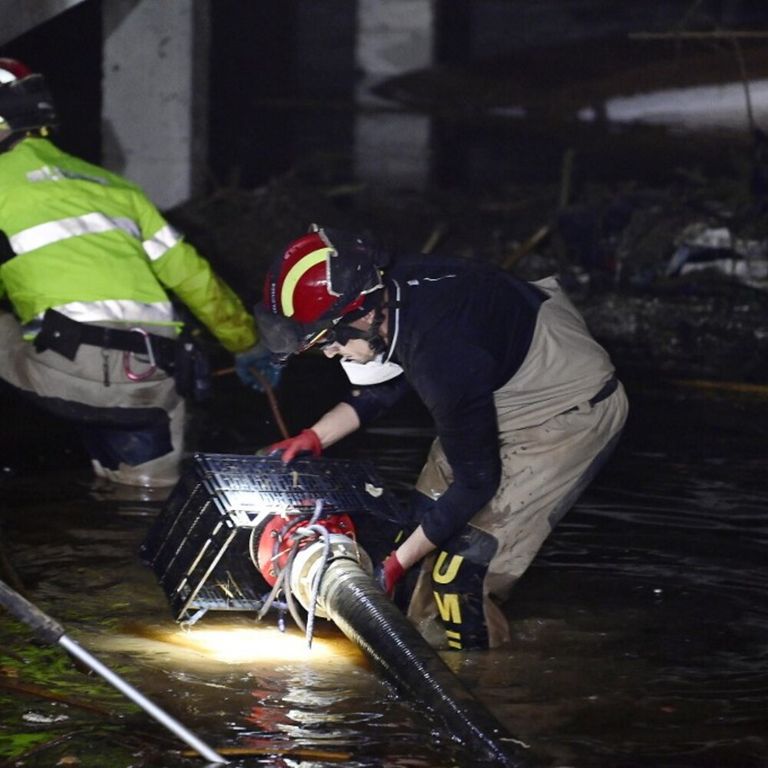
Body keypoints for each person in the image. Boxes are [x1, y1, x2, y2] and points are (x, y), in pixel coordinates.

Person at [256, 224, 629, 650]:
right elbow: (388, 380)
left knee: (458, 578)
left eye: (327, 341)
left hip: (566, 408)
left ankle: (489, 688)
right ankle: (420, 656)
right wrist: (314, 437)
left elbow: (476, 482)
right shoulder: (387, 296)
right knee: (415, 542)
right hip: (496, 379)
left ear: (359, 314)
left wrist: (393, 565)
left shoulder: (442, 354)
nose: (328, 353)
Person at [0, 58, 280, 491]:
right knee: (148, 498)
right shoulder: (116, 188)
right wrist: (246, 344)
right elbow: (194, 278)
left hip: (63, 369)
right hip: (154, 375)